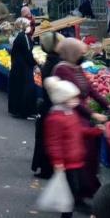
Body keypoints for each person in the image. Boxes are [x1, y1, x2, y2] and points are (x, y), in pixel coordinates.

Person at [54, 38, 110, 198]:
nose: (81, 55)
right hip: (70, 118)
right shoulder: (61, 70)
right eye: (79, 53)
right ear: (71, 53)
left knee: (89, 155)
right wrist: (92, 114)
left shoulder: (76, 68)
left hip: (83, 117)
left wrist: (108, 105)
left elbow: (91, 90)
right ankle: (77, 192)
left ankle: (87, 187)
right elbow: (71, 99)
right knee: (79, 156)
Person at [43, 77, 104, 218]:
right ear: (63, 99)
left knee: (75, 190)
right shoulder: (56, 119)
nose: (76, 100)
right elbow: (54, 143)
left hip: (76, 160)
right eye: (72, 98)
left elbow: (79, 131)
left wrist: (95, 131)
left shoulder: (71, 114)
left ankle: (68, 211)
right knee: (70, 192)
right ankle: (66, 215)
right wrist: (57, 161)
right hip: (66, 163)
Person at [32, 32, 64, 179]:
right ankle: (48, 169)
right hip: (52, 106)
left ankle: (46, 168)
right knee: (50, 138)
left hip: (47, 105)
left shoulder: (51, 60)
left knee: (45, 138)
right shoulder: (55, 63)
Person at [8, 18, 37, 118]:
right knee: (26, 88)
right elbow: (28, 53)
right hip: (24, 68)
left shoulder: (18, 36)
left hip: (17, 66)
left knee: (17, 88)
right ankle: (25, 112)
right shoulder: (24, 37)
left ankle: (16, 110)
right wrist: (35, 63)